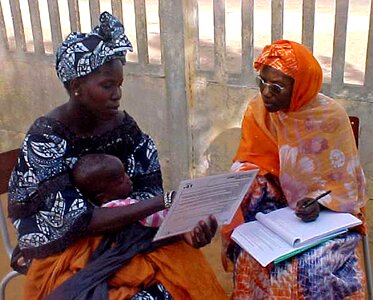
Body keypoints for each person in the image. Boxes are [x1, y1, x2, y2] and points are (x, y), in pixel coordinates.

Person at [8, 12, 227, 300]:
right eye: (107, 85)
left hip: (130, 235)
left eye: (120, 84)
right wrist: (163, 203)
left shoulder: (124, 128)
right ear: (76, 88)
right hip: (67, 249)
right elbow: (81, 222)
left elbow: (146, 193)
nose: (117, 94)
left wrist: (184, 230)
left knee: (182, 281)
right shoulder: (46, 139)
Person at [221, 40, 368, 299]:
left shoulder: (330, 118)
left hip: (326, 219)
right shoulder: (259, 112)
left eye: (276, 87)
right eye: (262, 82)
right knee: (250, 254)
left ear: (300, 87)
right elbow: (251, 161)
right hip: (277, 211)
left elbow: (347, 189)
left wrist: (321, 204)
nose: (266, 92)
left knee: (304, 269)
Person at [71, 153, 168, 227]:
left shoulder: (96, 209)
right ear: (103, 197)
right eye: (121, 181)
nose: (128, 178)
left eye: (125, 173)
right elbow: (158, 219)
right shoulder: (120, 206)